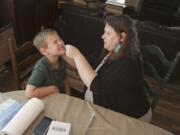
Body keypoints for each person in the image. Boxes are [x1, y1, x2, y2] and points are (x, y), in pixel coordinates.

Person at [65, 14, 152, 122]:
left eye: (108, 33)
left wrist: (77, 55)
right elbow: (86, 64)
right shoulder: (114, 49)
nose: (103, 36)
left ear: (122, 37)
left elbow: (97, 87)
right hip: (106, 102)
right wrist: (62, 52)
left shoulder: (130, 61)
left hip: (129, 116)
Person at [25, 29, 70, 99]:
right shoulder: (41, 68)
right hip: (45, 98)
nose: (61, 43)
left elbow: (65, 77)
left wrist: (68, 94)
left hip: (58, 95)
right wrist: (53, 89)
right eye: (55, 42)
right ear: (44, 51)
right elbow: (28, 94)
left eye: (60, 39)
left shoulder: (61, 58)